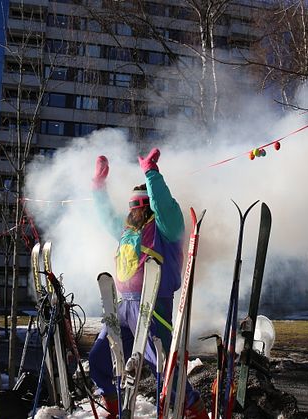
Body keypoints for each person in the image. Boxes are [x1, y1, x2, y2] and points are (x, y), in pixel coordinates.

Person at [88, 148, 208, 419]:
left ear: (149, 207)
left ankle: (193, 408)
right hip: (123, 307)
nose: (135, 212)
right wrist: (98, 186)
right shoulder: (127, 231)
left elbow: (164, 206)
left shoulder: (166, 229)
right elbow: (106, 214)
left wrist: (151, 174)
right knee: (100, 357)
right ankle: (115, 405)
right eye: (133, 207)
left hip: (154, 305)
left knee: (163, 365)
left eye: (141, 206)